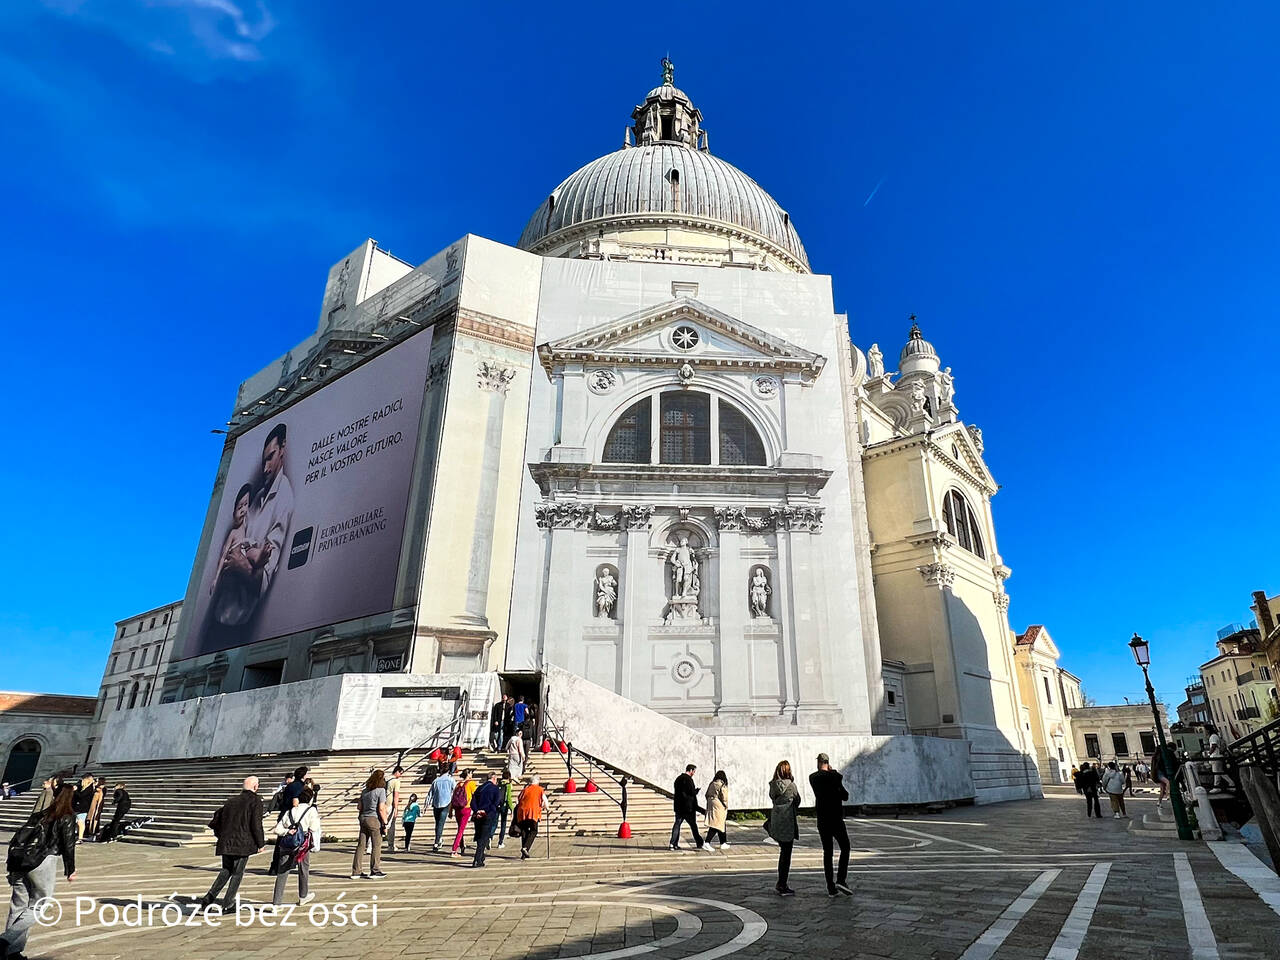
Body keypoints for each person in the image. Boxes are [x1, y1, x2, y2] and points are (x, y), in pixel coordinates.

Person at [1, 783, 77, 959]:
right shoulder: (66, 816)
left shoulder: (39, 815)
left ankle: (12, 953)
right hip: (43, 862)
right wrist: (70, 869)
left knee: (18, 906)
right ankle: (6, 941)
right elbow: (69, 844)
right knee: (40, 905)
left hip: (20, 862)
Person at [197, 777, 265, 911]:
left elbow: (218, 819)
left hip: (227, 841)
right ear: (256, 787)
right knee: (237, 873)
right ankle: (228, 903)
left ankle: (209, 897)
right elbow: (256, 824)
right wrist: (260, 843)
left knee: (226, 870)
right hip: (242, 843)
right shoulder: (255, 801)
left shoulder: (231, 801)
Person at [810, 753, 853, 896]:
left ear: (819, 762)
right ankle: (841, 879)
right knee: (845, 847)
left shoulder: (813, 778)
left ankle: (830, 887)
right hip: (835, 818)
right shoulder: (834, 777)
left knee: (827, 853)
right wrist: (833, 772)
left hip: (822, 820)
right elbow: (845, 796)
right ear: (827, 763)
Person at [270, 787, 319, 906]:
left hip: (287, 843)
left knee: (282, 872)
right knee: (303, 870)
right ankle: (303, 895)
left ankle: (276, 902)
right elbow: (314, 827)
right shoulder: (311, 810)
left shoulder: (290, 811)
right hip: (302, 845)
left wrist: (287, 832)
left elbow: (277, 829)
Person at [766, 761, 801, 896]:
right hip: (787, 822)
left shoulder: (773, 786)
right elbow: (797, 801)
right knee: (786, 855)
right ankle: (782, 883)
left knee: (783, 853)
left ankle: (781, 882)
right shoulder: (791, 786)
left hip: (776, 821)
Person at [351, 770, 388, 879]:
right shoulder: (381, 791)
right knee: (376, 845)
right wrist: (385, 822)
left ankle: (356, 871)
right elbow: (381, 808)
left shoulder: (365, 791)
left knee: (361, 845)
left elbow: (359, 807)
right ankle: (375, 870)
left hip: (363, 818)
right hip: (374, 818)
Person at [670, 764, 707, 851]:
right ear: (690, 770)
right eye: (694, 771)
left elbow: (679, 793)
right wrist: (696, 791)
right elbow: (691, 794)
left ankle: (673, 843)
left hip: (679, 807)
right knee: (693, 826)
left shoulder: (678, 779)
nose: (694, 773)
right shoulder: (689, 780)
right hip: (688, 808)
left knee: (677, 824)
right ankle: (699, 842)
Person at [470, 772, 502, 868]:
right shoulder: (495, 789)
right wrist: (486, 811)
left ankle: (481, 858)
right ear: (493, 778)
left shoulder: (480, 788)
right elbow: (496, 802)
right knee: (484, 837)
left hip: (478, 815)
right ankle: (477, 859)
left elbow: (473, 801)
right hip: (488, 815)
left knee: (479, 836)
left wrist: (477, 811)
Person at [514, 774, 548, 860]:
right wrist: (546, 808)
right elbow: (545, 800)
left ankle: (524, 854)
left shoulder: (525, 789)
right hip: (533, 812)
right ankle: (525, 848)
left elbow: (517, 800)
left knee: (524, 832)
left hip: (522, 813)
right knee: (534, 831)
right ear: (537, 782)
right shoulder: (540, 789)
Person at [450, 769, 478, 857]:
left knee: (460, 828)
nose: (472, 775)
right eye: (471, 773)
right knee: (461, 830)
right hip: (466, 808)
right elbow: (476, 795)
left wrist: (450, 811)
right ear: (468, 774)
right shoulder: (471, 783)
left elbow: (452, 798)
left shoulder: (458, 784)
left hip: (457, 808)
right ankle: (454, 850)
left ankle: (461, 846)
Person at [429, 767, 456, 852]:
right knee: (441, 823)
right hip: (446, 803)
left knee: (438, 823)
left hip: (436, 803)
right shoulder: (450, 780)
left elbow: (430, 793)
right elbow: (455, 790)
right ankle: (437, 841)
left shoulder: (436, 780)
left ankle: (438, 839)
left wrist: (426, 805)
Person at [704, 770, 730, 849]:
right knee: (716, 825)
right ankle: (707, 842)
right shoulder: (721, 784)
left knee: (720, 824)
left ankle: (723, 842)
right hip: (719, 806)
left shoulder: (712, 784)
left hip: (711, 804)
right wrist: (726, 805)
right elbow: (724, 797)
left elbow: (706, 794)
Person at [385, 766, 404, 852]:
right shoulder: (396, 781)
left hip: (383, 803)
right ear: (397, 772)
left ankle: (370, 845)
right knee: (391, 825)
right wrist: (396, 808)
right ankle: (391, 845)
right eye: (400, 773)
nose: (400, 775)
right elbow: (396, 795)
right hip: (390, 805)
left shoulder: (386, 779)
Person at [71, 774, 95, 842]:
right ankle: (78, 836)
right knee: (78, 822)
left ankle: (80, 837)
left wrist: (75, 791)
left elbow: (82, 796)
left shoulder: (89, 788)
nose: (82, 781)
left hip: (83, 807)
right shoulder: (82, 787)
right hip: (78, 807)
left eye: (83, 780)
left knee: (80, 822)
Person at [497, 770, 515, 849]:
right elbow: (509, 798)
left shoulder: (498, 783)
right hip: (504, 806)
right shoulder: (508, 785)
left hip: (497, 805)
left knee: (494, 822)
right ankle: (500, 842)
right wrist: (512, 809)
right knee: (503, 824)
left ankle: (489, 837)